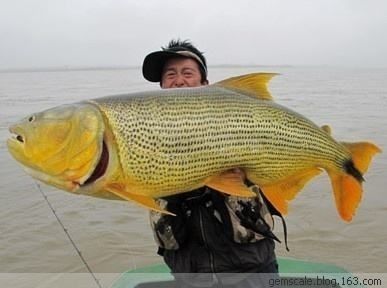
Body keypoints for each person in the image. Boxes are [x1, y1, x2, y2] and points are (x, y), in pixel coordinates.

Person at [141, 39, 284, 287]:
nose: (179, 80)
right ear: (162, 86)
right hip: (189, 273)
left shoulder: (238, 121)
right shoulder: (145, 136)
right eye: (170, 75)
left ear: (205, 84)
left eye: (187, 73)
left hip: (250, 268)